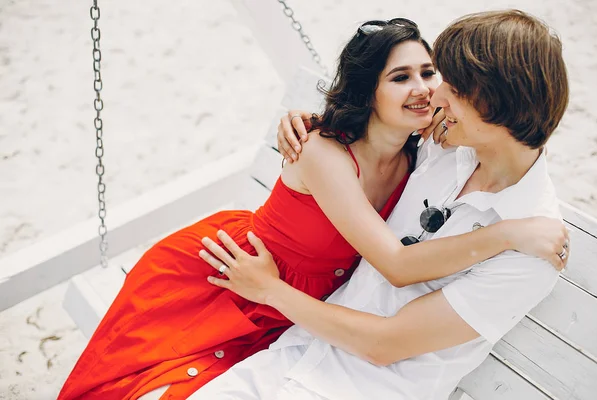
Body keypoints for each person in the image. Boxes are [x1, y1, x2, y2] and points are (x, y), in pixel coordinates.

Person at [58, 15, 567, 400]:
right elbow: (392, 248)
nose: (433, 95)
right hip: (252, 299)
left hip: (337, 363)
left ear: (491, 102)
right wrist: (309, 123)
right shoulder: (442, 149)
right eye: (425, 82)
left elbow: (387, 339)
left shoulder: (502, 215)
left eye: (444, 84)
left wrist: (513, 234)